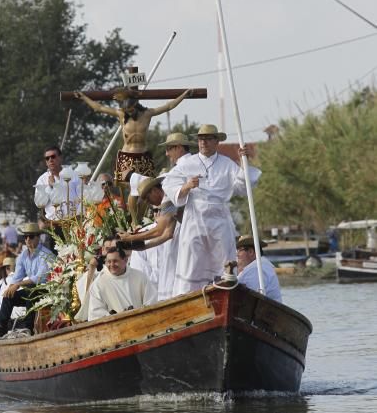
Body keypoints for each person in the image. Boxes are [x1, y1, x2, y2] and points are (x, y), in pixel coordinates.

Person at [163, 124, 261, 295]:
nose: (204, 142)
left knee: (223, 259)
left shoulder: (226, 164)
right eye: (201, 139)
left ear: (216, 141)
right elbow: (168, 184)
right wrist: (186, 186)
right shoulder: (188, 163)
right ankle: (187, 296)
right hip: (195, 218)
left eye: (208, 139)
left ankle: (225, 292)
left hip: (219, 218)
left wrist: (244, 164)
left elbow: (241, 187)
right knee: (191, 259)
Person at [74, 87, 192, 224]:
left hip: (143, 158)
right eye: (126, 110)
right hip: (127, 157)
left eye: (130, 110)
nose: (128, 112)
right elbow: (99, 108)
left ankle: (139, 220)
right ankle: (134, 222)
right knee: (132, 190)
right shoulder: (121, 115)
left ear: (135, 106)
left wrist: (183, 95)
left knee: (145, 192)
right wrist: (84, 97)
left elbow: (168, 106)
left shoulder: (147, 114)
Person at [0, 222, 54, 336]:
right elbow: (17, 277)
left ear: (38, 237)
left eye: (31, 236)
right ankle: (0, 326)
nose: (28, 239)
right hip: (33, 292)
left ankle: (28, 327)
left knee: (30, 289)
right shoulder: (23, 255)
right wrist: (10, 288)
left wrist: (17, 285)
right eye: (25, 237)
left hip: (48, 291)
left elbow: (40, 278)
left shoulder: (46, 254)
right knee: (8, 296)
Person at [88, 246, 157, 321]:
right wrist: (116, 317)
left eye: (115, 261)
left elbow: (151, 302)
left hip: (141, 322)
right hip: (114, 327)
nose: (112, 265)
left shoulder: (139, 276)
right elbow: (95, 313)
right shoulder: (99, 284)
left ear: (125, 260)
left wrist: (137, 313)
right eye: (109, 261)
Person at [35, 145, 80, 220]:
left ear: (60, 158)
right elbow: (40, 204)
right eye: (47, 158)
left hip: (74, 221)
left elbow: (82, 197)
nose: (50, 160)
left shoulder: (73, 175)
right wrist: (50, 187)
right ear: (46, 162)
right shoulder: (42, 180)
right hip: (53, 222)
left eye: (53, 156)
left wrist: (79, 215)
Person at [236, 235, 282, 302]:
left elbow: (248, 297)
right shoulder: (261, 265)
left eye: (240, 250)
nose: (237, 254)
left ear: (251, 252)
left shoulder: (256, 268)